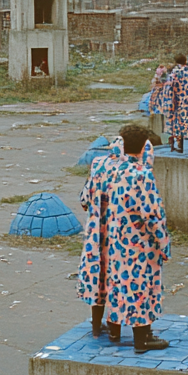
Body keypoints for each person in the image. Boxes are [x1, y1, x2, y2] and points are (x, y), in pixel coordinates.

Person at [105, 124, 171, 352]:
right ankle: (142, 338)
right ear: (145, 147)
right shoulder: (143, 175)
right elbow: (152, 214)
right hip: (141, 243)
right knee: (143, 287)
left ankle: (114, 329)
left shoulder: (115, 171)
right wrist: (164, 244)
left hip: (118, 240)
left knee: (119, 284)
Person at [78, 135, 125, 341]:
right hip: (120, 236)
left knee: (99, 277)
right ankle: (115, 330)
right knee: (116, 279)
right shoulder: (131, 170)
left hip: (97, 235)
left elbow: (84, 199)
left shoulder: (98, 165)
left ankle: (97, 327)